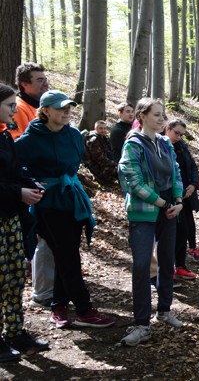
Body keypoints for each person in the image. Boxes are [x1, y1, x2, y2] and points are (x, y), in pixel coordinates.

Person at [15, 90, 116, 330]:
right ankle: (84, 309)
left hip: (71, 199)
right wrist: (33, 184)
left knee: (66, 252)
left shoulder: (73, 134)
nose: (67, 111)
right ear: (46, 111)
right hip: (48, 204)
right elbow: (15, 167)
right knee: (67, 254)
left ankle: (58, 306)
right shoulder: (29, 139)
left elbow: (75, 162)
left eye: (69, 107)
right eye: (61, 108)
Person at [117, 98, 184, 346]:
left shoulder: (165, 142)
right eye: (156, 114)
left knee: (168, 261)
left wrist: (177, 200)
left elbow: (176, 172)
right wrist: (163, 204)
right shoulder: (132, 145)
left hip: (169, 209)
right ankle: (142, 324)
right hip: (144, 211)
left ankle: (165, 310)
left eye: (162, 115)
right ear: (142, 115)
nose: (161, 119)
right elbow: (134, 182)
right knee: (142, 265)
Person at [0, 83, 49, 360]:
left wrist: (30, 184)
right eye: (8, 105)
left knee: (16, 274)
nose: (13, 110)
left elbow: (16, 169)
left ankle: (15, 331)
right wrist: (18, 192)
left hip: (10, 219)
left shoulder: (5, 136)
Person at [3, 63, 55, 310]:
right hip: (23, 186)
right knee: (40, 235)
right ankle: (42, 289)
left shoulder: (39, 107)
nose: (45, 83)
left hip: (36, 183)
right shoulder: (21, 109)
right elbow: (18, 151)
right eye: (39, 80)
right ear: (24, 84)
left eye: (45, 79)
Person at [164, 119, 199, 278]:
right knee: (171, 233)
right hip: (169, 196)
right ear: (167, 129)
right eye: (176, 133)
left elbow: (192, 166)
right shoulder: (161, 146)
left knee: (184, 231)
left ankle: (180, 265)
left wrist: (193, 184)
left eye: (181, 134)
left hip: (185, 195)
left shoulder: (182, 147)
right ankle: (169, 267)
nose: (178, 137)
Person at [83, 120, 117, 185]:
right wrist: (114, 163)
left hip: (103, 163)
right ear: (95, 129)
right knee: (118, 169)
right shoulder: (94, 140)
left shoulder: (104, 137)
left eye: (104, 128)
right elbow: (100, 159)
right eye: (101, 128)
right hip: (95, 167)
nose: (103, 130)